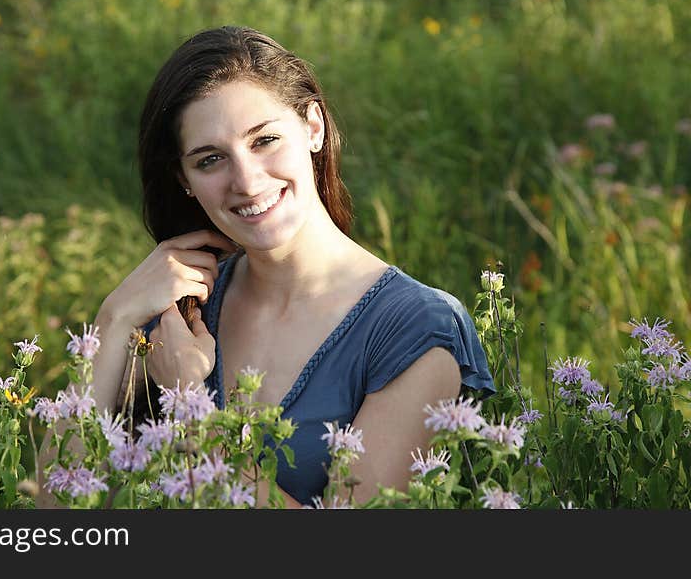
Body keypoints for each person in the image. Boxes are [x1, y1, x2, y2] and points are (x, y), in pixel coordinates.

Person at [41, 25, 495, 508]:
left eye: (265, 140)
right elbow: (58, 509)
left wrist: (189, 405)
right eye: (211, 159)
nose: (247, 180)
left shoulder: (416, 330)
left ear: (313, 127)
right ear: (185, 181)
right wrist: (113, 320)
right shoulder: (176, 316)